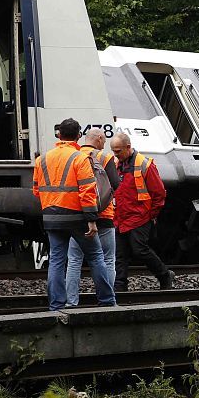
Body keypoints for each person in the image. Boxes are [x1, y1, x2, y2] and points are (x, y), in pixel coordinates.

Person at [32, 118, 116, 310]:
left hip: (51, 216)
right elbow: (87, 191)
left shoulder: (41, 159)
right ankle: (107, 302)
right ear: (79, 135)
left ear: (58, 135)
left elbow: (36, 191)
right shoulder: (80, 158)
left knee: (56, 260)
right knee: (96, 256)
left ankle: (56, 306)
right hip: (77, 217)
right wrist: (92, 220)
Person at [109, 131, 174, 291]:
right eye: (113, 151)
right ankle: (120, 287)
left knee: (140, 250)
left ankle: (164, 275)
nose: (115, 154)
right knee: (120, 254)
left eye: (118, 151)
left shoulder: (144, 164)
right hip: (121, 218)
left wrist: (150, 215)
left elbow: (159, 193)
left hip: (139, 217)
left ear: (128, 147)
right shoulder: (117, 164)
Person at [64, 128, 120, 307]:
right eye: (104, 140)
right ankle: (107, 300)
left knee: (74, 261)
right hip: (104, 215)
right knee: (108, 259)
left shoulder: (74, 156)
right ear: (100, 139)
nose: (104, 144)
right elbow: (115, 184)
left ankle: (71, 302)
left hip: (78, 216)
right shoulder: (105, 157)